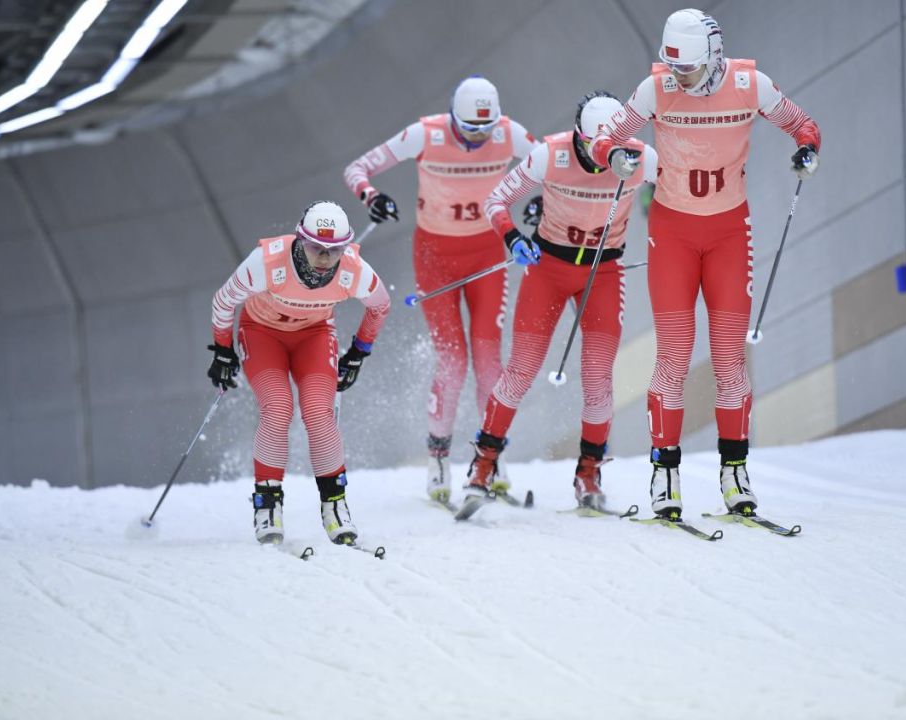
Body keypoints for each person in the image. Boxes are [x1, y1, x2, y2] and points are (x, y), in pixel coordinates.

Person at [587, 9, 821, 519]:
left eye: (688, 69)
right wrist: (614, 156)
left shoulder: (750, 84)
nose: (680, 77)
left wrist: (806, 149)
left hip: (728, 234)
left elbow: (803, 124)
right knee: (673, 356)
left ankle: (735, 473)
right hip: (672, 234)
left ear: (714, 56)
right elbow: (605, 138)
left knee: (729, 359)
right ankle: (664, 474)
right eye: (673, 67)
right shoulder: (655, 88)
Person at [343, 76, 536, 503]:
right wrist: (371, 196)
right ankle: (438, 459)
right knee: (453, 361)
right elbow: (356, 169)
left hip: (487, 256)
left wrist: (545, 200)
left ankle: (492, 455)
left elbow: (558, 165)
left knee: (488, 360)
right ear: (452, 118)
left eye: (484, 130)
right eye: (468, 129)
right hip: (435, 258)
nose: (477, 138)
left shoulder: (509, 133)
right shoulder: (425, 134)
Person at [463, 91, 657, 509]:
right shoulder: (550, 154)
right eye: (591, 144)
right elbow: (496, 200)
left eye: (610, 146)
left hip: (603, 272)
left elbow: (681, 193)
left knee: (598, 376)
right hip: (548, 269)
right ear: (578, 136)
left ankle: (588, 475)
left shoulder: (640, 157)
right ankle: (483, 465)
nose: (601, 155)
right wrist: (513, 238)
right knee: (521, 371)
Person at [208, 201, 391, 544]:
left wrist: (359, 352)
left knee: (319, 412)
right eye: (315, 248)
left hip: (314, 336)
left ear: (345, 247)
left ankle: (335, 504)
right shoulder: (266, 262)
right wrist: (222, 349)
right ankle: (267, 505)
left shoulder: (353, 269)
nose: (324, 258)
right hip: (262, 334)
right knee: (278, 408)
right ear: (299, 240)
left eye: (334, 250)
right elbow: (223, 300)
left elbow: (380, 306)